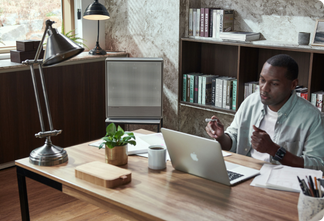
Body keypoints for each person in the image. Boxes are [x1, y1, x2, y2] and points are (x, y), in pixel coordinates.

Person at [205, 54, 324, 172]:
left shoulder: (312, 117)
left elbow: (317, 165)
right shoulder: (250, 102)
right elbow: (233, 141)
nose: (264, 88)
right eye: (262, 80)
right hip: (245, 171)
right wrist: (221, 137)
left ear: (293, 84)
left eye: (274, 83)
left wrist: (275, 151)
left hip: (282, 181)